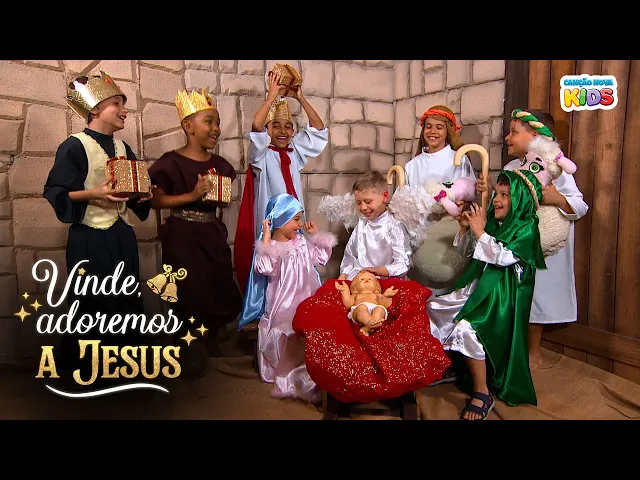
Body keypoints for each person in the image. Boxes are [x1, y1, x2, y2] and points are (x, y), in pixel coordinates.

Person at [43, 71, 151, 382]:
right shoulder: (74, 146)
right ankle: (88, 372)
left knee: (126, 304)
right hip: (89, 238)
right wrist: (94, 193)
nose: (124, 110)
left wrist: (144, 194)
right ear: (94, 109)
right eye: (117, 103)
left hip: (121, 236)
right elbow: (56, 192)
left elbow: (133, 197)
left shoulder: (124, 148)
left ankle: (124, 368)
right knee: (92, 304)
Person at [427, 169, 546, 419]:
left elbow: (502, 257)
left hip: (501, 299)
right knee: (435, 307)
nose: (497, 200)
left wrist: (480, 232)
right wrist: (466, 230)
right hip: (480, 289)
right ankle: (456, 366)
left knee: (466, 328)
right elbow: (471, 253)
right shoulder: (494, 221)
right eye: (497, 194)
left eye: (505, 195)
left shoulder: (527, 228)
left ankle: (482, 391)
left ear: (520, 200)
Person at [477, 108, 589, 371]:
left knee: (538, 293)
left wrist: (557, 199)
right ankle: (509, 347)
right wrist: (491, 191)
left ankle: (533, 351)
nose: (507, 137)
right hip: (518, 241)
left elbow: (580, 205)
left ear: (536, 136)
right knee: (516, 291)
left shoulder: (555, 168)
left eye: (514, 132)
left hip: (544, 244)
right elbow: (503, 202)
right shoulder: (511, 168)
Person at [147, 88, 243, 375]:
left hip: (211, 233)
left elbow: (220, 201)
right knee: (188, 291)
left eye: (218, 123)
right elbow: (156, 201)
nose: (216, 129)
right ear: (188, 126)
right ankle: (186, 347)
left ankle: (211, 340)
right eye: (208, 122)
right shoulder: (170, 163)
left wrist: (219, 198)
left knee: (218, 284)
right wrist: (192, 195)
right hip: (183, 237)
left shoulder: (221, 166)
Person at [234, 69, 329, 293]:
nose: (283, 131)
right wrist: (270, 98)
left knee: (297, 266)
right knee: (273, 271)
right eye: (275, 125)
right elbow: (256, 128)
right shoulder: (261, 154)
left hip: (294, 222)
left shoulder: (294, 151)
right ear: (268, 130)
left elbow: (318, 129)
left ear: (293, 131)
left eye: (288, 126)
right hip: (273, 226)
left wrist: (300, 98)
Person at [238, 193, 337, 403]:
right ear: (280, 218)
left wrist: (316, 237)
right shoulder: (272, 247)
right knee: (285, 330)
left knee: (315, 328)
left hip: (307, 298)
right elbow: (264, 268)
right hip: (283, 303)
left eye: (300, 219)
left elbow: (320, 258)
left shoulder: (301, 242)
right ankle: (289, 373)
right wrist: (266, 239)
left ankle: (313, 370)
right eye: (296, 219)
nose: (300, 224)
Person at [338, 170, 412, 281]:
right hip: (359, 281)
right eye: (358, 203)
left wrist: (378, 270)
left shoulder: (394, 227)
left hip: (384, 282)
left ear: (384, 196)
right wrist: (344, 274)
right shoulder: (361, 226)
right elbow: (350, 255)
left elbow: (403, 264)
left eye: (368, 201)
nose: (363, 207)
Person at [335, 270, 399, 336]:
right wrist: (345, 291)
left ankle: (368, 327)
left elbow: (385, 304)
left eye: (370, 279)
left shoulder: (377, 296)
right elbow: (348, 304)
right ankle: (370, 322)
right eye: (362, 279)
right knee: (362, 308)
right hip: (359, 310)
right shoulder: (356, 296)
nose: (366, 280)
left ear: (376, 286)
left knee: (380, 309)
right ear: (355, 287)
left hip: (374, 309)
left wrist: (387, 297)